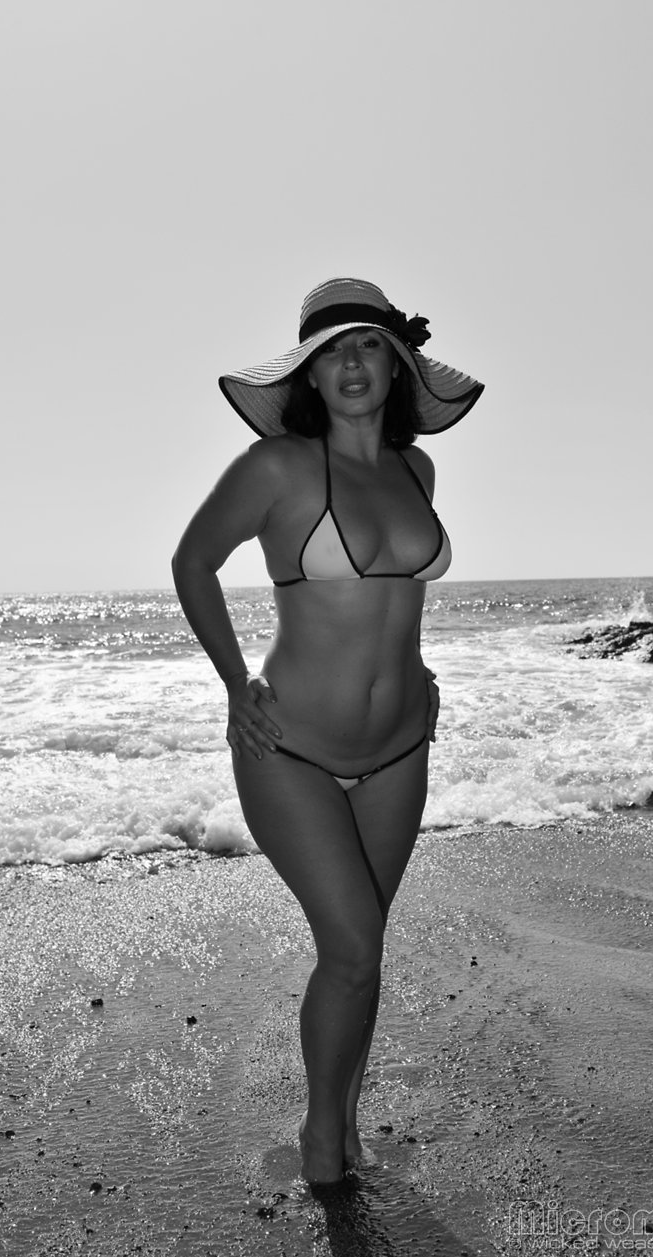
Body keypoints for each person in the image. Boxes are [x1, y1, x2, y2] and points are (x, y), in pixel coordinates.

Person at [172, 277, 483, 1188]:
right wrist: (235, 684)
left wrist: (420, 676)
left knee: (363, 950)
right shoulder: (276, 467)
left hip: (401, 748)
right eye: (333, 350)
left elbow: (393, 605)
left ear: (397, 365)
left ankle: (345, 1122)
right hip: (292, 750)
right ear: (308, 372)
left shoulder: (417, 471)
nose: (352, 363)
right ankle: (320, 1138)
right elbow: (193, 560)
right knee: (351, 949)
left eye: (370, 345)